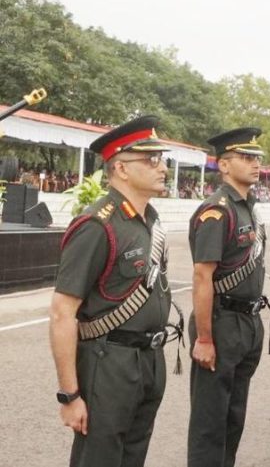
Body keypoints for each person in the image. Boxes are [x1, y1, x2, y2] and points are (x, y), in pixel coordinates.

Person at [48, 115, 177, 467]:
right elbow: (63, 312)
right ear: (120, 167)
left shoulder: (149, 219)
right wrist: (70, 394)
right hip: (109, 363)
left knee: (133, 456)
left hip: (149, 359)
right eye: (151, 160)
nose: (162, 167)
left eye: (162, 159)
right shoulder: (96, 224)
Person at [187, 128, 270, 467]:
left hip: (247, 323)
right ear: (223, 165)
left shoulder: (248, 207)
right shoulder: (217, 211)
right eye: (246, 158)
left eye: (257, 158)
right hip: (221, 323)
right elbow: (202, 277)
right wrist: (205, 338)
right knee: (210, 422)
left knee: (233, 416)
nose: (255, 164)